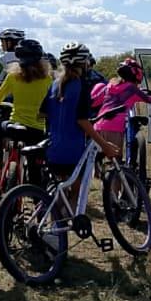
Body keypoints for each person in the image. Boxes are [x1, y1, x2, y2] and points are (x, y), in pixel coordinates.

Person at [41, 43, 117, 204]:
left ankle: (57, 219)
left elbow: (41, 113)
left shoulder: (54, 85)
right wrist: (105, 145)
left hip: (53, 149)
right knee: (76, 194)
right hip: (73, 150)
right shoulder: (81, 86)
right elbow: (82, 121)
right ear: (85, 63)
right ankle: (68, 217)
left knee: (59, 194)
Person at [0, 38, 50, 195]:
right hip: (37, 130)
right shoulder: (48, 80)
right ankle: (36, 196)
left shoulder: (12, 77)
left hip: (14, 125)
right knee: (35, 167)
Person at [90, 57, 151, 159]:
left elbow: (94, 102)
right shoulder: (132, 89)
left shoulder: (111, 85)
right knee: (115, 160)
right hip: (114, 127)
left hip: (98, 125)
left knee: (96, 161)